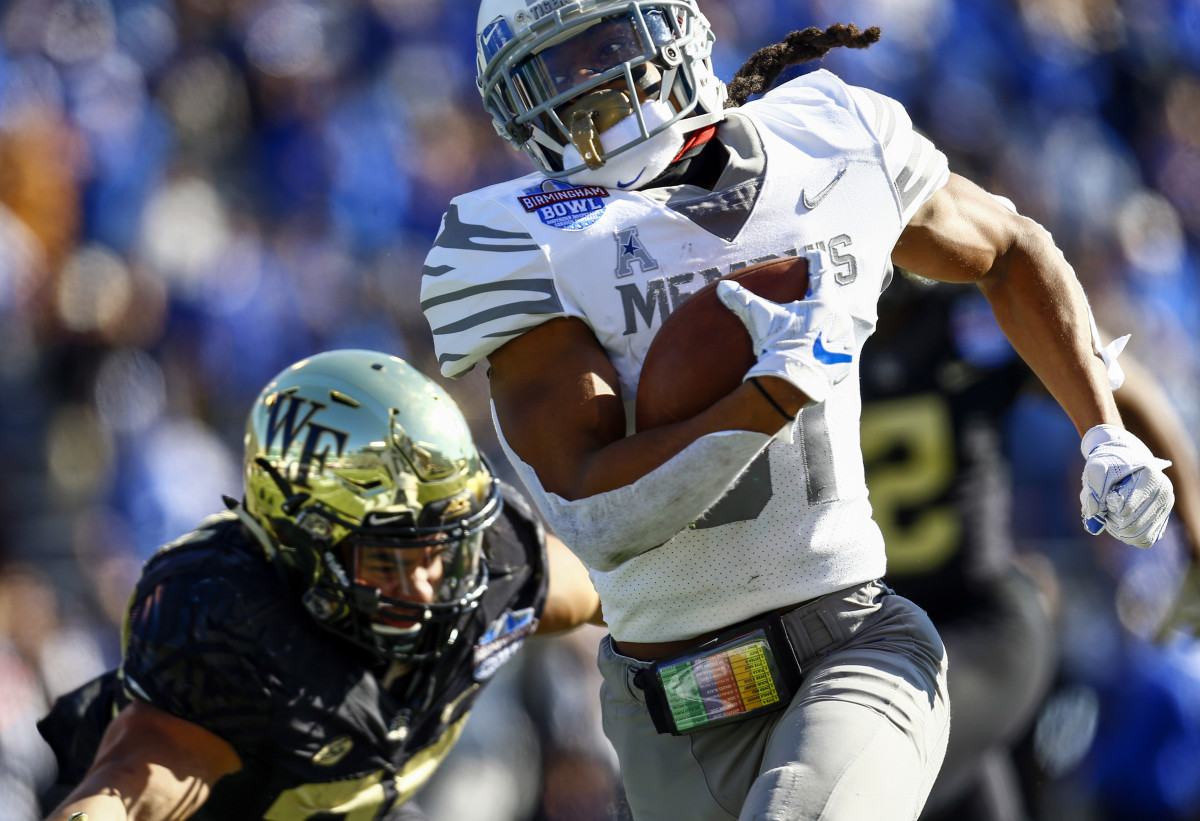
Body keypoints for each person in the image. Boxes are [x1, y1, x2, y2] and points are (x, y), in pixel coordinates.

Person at [419, 4, 1177, 819]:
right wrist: (775, 389)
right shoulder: (510, 242)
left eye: (605, 46)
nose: (589, 84)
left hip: (852, 645)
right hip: (671, 711)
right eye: (554, 71)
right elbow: (599, 512)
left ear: (675, 29)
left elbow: (1012, 249)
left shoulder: (829, 135)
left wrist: (1101, 429)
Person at [36, 349, 603, 821]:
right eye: (388, 559)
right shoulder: (234, 620)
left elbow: (624, 595)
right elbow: (135, 789)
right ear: (301, 543)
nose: (428, 585)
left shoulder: (493, 559)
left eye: (442, 549)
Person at [861, 270, 1200, 821]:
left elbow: (1127, 390)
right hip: (876, 629)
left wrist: (1194, 529)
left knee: (872, 770)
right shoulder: (817, 327)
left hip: (978, 617)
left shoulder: (968, 322)